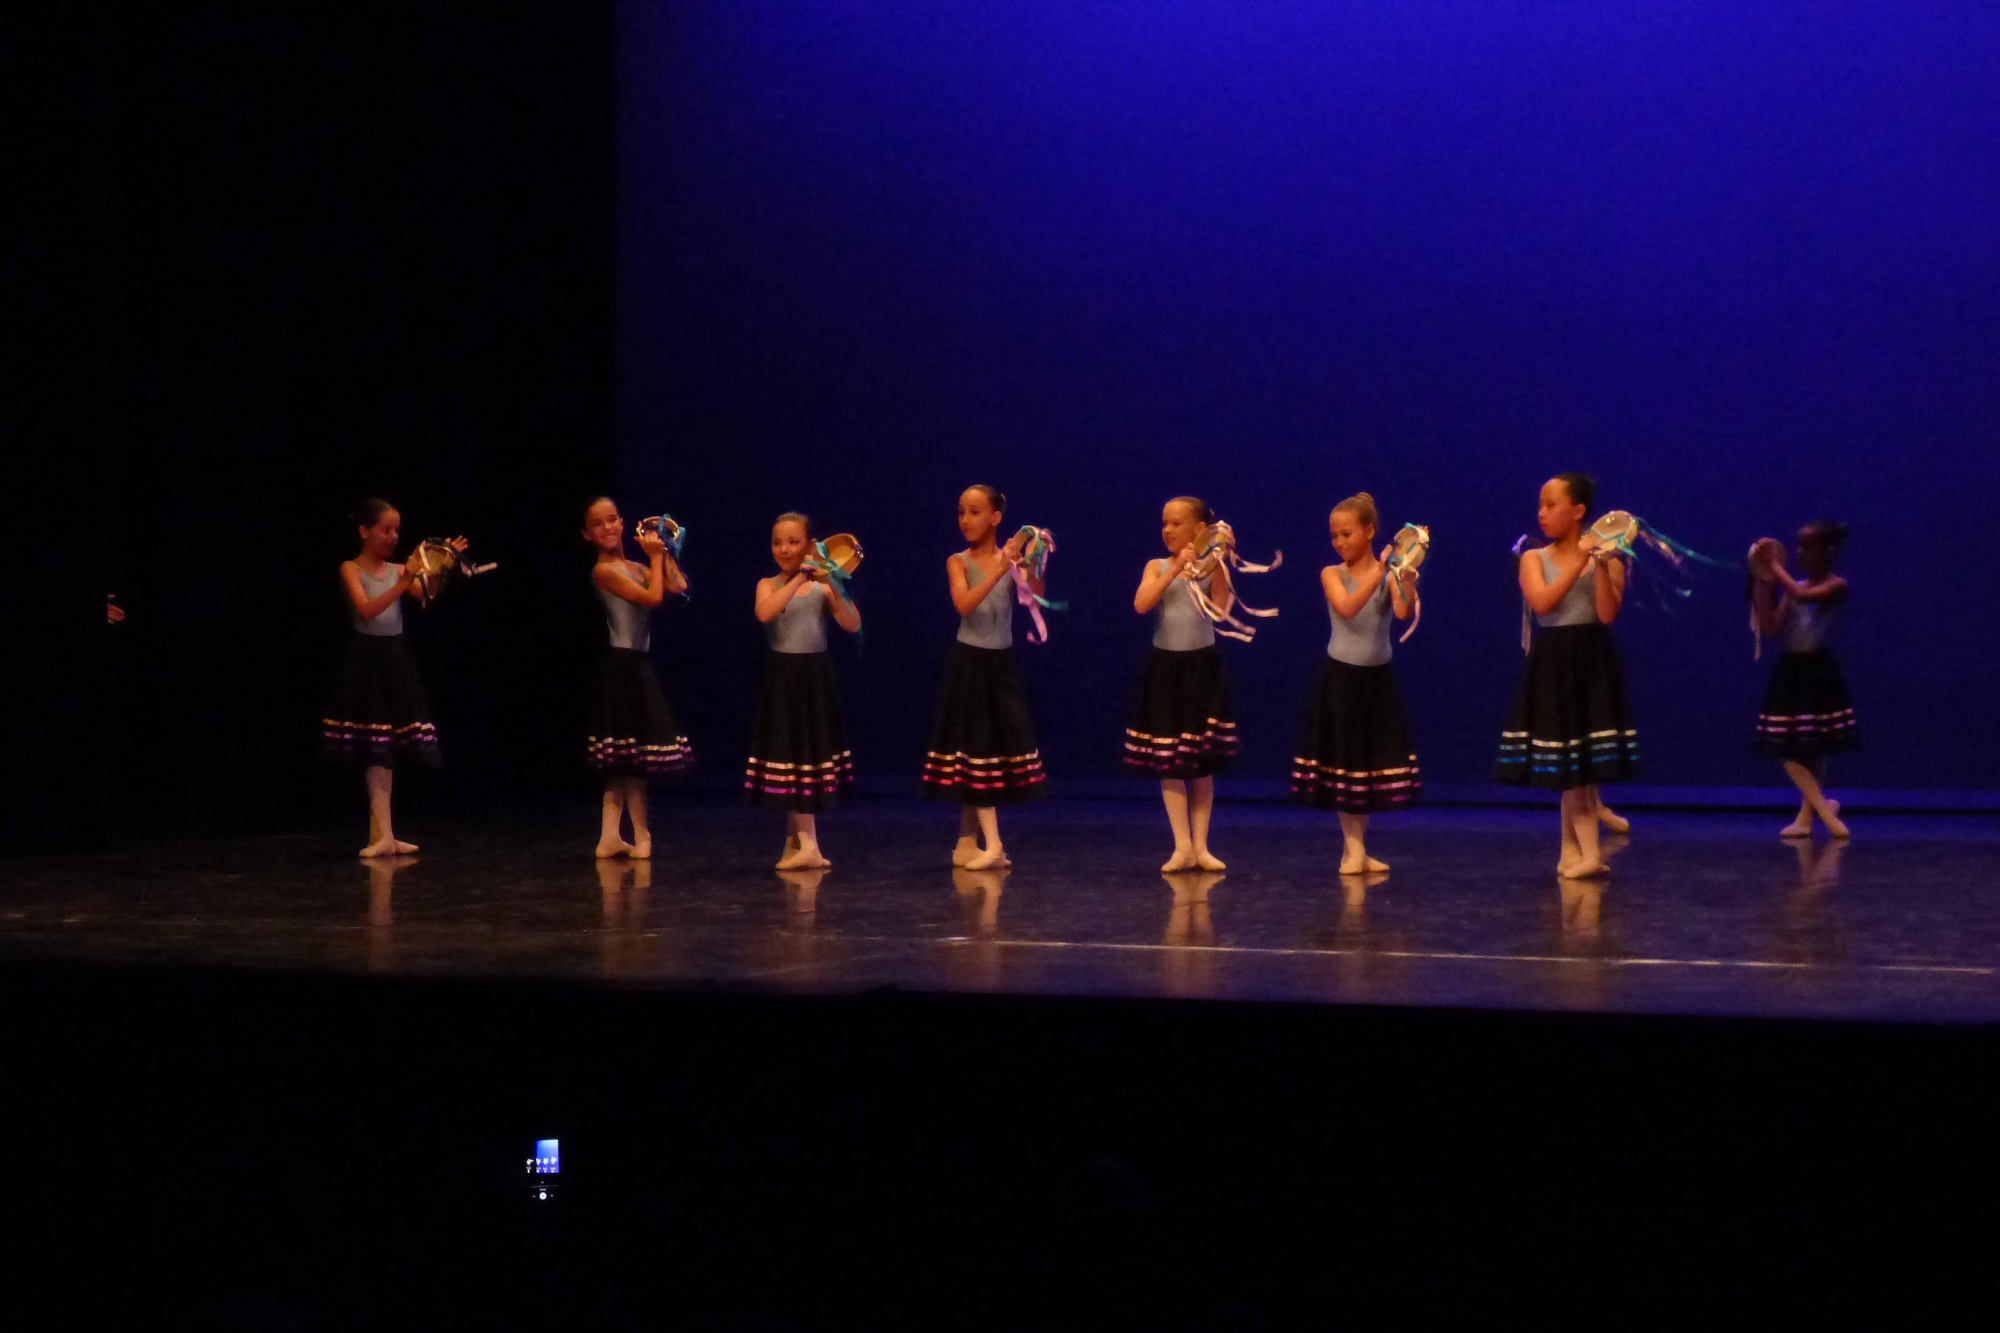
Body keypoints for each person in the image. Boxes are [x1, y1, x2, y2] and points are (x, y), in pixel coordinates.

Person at [1492, 473, 1640, 878]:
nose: (1541, 513)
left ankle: (1570, 852)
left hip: (1593, 660)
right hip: (1555, 661)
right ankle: (1589, 854)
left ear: (1578, 511)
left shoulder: (1606, 557)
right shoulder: (1533, 559)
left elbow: (1607, 614)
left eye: (1551, 505)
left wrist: (1606, 563)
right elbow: (1542, 603)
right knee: (1571, 765)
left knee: (1583, 764)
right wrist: (1579, 559)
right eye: (1540, 505)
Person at [1290, 492, 1420, 874]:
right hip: (1341, 680)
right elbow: (1347, 608)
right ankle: (1353, 847)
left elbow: (1401, 610)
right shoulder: (1332, 574)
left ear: (1369, 532)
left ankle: (1357, 849)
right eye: (1334, 536)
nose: (1339, 542)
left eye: (1347, 534)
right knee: (1346, 764)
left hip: (1377, 682)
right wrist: (1381, 572)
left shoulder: (1388, 572)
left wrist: (1407, 577)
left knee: (1366, 766)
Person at [322, 498, 459, 857]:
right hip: (366, 661)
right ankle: (381, 834)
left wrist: (443, 566)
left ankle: (384, 833)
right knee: (375, 748)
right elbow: (367, 610)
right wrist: (405, 579)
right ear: (365, 532)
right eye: (385, 529)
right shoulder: (350, 568)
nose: (393, 536)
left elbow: (427, 597)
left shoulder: (400, 570)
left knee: (389, 750)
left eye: (396, 530)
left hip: (395, 659)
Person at [921, 485, 1047, 867]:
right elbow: (965, 604)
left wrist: (1033, 561)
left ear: (996, 518)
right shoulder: (957, 561)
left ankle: (966, 841)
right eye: (961, 512)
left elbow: (1035, 598)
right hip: (970, 663)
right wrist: (999, 566)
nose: (965, 520)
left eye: (975, 512)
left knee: (988, 753)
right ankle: (992, 845)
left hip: (1000, 664)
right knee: (977, 751)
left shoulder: (1009, 562)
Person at [1126, 496, 1237, 872]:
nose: (1168, 530)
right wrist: (1174, 568)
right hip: (1165, 671)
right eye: (1165, 523)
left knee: (1200, 763)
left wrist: (1220, 563)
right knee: (1169, 761)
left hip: (1202, 669)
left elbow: (1221, 613)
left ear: (1198, 529)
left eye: (1176, 523)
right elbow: (1141, 604)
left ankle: (1202, 846)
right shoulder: (1156, 565)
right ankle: (1182, 846)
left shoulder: (1210, 568)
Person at [747, 512, 862, 869]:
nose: (784, 548)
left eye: (793, 542)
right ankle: (797, 842)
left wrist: (835, 585)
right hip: (783, 679)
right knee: (789, 758)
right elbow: (765, 613)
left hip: (814, 678)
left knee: (806, 758)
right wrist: (798, 578)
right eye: (778, 541)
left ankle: (807, 844)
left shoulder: (823, 587)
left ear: (810, 546)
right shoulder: (768, 584)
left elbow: (852, 624)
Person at [583, 496, 691, 859]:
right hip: (621, 667)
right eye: (598, 524)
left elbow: (678, 588)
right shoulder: (604, 572)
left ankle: (609, 836)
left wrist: (666, 549)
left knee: (624, 759)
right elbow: (654, 599)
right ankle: (642, 835)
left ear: (623, 522)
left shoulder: (636, 565)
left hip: (636, 665)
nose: (608, 527)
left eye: (612, 519)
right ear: (587, 534)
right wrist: (656, 559)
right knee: (630, 759)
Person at [1750, 520, 1855, 840]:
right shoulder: (1793, 586)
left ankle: (1812, 815)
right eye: (1798, 547)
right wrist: (1762, 581)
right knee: (1787, 748)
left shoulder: (1837, 586)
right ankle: (1822, 809)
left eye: (1808, 547)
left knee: (1815, 746)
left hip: (1817, 670)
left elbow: (1804, 595)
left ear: (1829, 551)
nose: (1800, 553)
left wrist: (1775, 568)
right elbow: (1771, 628)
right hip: (1792, 669)